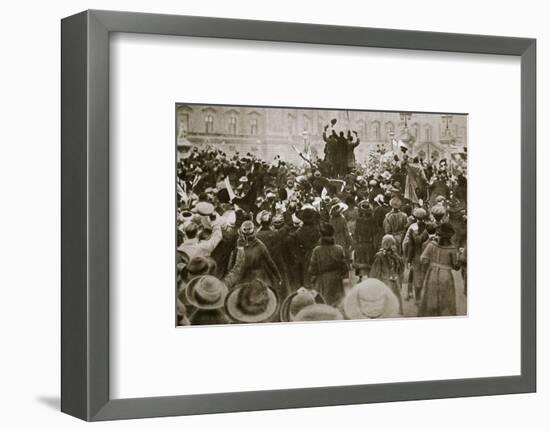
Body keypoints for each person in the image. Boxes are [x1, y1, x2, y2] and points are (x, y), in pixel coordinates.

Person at [418, 223, 461, 317]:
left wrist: (431, 262)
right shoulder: (452, 248)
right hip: (446, 276)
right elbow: (456, 267)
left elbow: (423, 259)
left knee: (431, 297)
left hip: (432, 274)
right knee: (445, 299)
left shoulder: (431, 245)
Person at [308, 223, 348, 307]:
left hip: (322, 282)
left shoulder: (316, 250)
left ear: (321, 235)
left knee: (323, 304)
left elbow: (312, 270)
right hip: (336, 282)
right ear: (333, 234)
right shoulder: (339, 249)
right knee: (337, 305)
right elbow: (344, 269)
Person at [370, 234, 404, 314]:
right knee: (396, 296)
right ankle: (398, 311)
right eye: (392, 243)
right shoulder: (396, 255)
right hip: (394, 280)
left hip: (384, 281)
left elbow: (375, 271)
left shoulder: (379, 256)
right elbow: (401, 269)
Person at [402, 207, 428, 303]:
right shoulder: (428, 227)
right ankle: (421, 295)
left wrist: (407, 257)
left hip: (415, 254)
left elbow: (407, 243)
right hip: (426, 253)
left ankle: (410, 293)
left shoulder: (412, 227)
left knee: (413, 274)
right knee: (423, 274)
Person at [353, 201, 377, 280]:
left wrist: (355, 241)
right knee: (369, 259)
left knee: (360, 258)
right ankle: (369, 275)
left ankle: (360, 277)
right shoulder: (372, 219)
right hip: (369, 242)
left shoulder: (358, 220)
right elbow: (375, 231)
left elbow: (356, 232)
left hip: (360, 242)